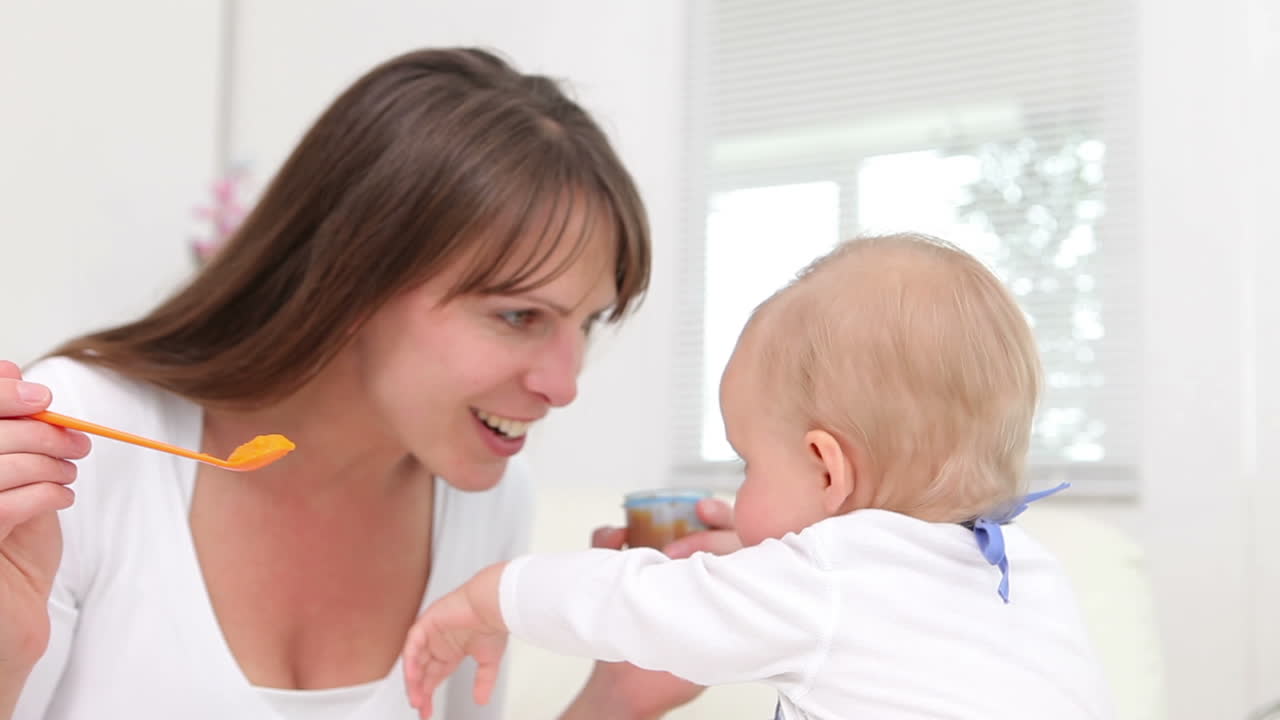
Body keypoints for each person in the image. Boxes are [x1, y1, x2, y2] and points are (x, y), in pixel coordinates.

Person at [0, 47, 734, 720]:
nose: (563, 384)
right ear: (355, 280)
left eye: (588, 322)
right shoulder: (80, 441)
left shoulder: (484, 495)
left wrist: (618, 698)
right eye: (517, 315)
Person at [402, 233, 1116, 720]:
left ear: (826, 469)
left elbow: (636, 601)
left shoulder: (828, 578)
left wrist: (491, 597)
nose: (742, 495)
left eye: (750, 463)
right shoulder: (1029, 571)